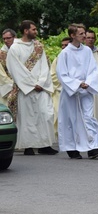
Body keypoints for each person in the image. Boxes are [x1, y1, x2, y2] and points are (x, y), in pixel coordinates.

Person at [5, 20, 57, 155]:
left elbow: (44, 66)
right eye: (33, 29)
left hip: (41, 87)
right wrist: (31, 84)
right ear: (25, 31)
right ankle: (29, 146)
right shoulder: (15, 48)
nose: (36, 31)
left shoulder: (38, 46)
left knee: (46, 114)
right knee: (28, 118)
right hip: (26, 89)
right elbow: (15, 69)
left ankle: (44, 145)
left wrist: (41, 82)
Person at [56, 23, 98, 159]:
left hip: (86, 90)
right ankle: (71, 148)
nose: (84, 36)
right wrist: (77, 84)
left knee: (88, 118)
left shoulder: (87, 51)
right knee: (71, 120)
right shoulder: (65, 53)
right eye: (81, 34)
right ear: (72, 36)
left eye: (84, 33)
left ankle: (93, 148)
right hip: (71, 91)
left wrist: (88, 83)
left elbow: (93, 69)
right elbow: (62, 74)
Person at [0, 29, 18, 114]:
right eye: (4, 39)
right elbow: (2, 76)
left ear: (15, 37)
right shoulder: (1, 54)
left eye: (9, 38)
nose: (6, 41)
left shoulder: (20, 50)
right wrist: (13, 86)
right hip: (9, 89)